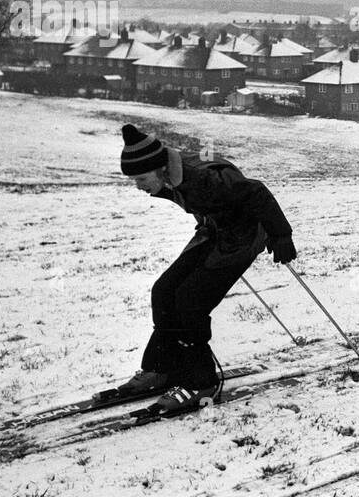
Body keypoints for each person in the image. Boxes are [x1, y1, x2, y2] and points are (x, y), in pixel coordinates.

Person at [118, 124, 297, 414]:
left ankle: (200, 381)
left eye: (140, 178)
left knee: (190, 301)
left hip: (243, 236)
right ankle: (161, 369)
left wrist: (281, 234)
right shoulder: (170, 172)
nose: (138, 185)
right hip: (214, 230)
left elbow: (256, 191)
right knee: (164, 291)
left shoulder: (202, 180)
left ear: (159, 168)